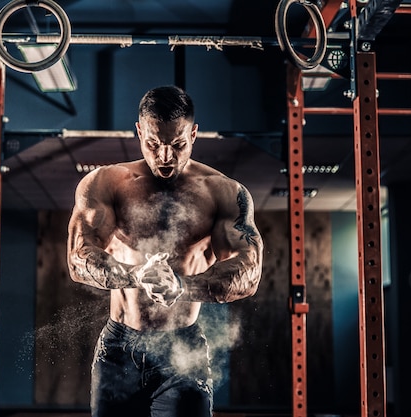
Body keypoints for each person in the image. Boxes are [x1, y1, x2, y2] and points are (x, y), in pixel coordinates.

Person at [66, 85, 264, 417]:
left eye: (178, 145)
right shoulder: (106, 184)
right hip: (119, 348)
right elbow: (77, 258)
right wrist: (133, 276)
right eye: (154, 144)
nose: (166, 157)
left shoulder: (223, 193)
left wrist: (183, 287)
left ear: (194, 133)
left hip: (182, 349)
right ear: (139, 131)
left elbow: (250, 271)